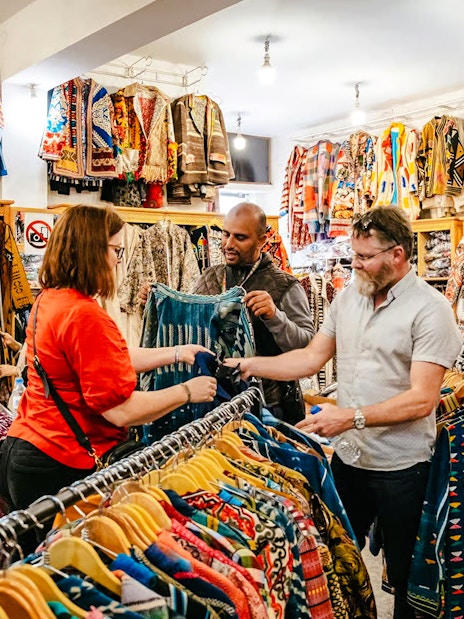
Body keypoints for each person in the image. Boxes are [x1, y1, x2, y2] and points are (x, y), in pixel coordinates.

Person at [224, 205, 462, 619]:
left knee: (407, 579)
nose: (357, 266)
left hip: (402, 468)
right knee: (337, 563)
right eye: (355, 256)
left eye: (366, 258)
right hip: (349, 463)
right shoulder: (351, 297)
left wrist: (349, 417)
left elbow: (422, 399)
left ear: (398, 254)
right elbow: (312, 357)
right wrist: (250, 365)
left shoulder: (431, 310)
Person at [0, 205, 216, 550]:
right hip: (61, 464)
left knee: (35, 579)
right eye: (116, 250)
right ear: (92, 251)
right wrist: (187, 392)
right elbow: (120, 411)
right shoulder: (84, 314)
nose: (118, 261)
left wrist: (176, 353)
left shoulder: (51, 301)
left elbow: (106, 360)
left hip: (25, 452)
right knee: (71, 575)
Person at [195, 201, 314, 423]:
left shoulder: (285, 285)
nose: (228, 244)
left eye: (240, 237)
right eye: (225, 234)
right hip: (215, 399)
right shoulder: (209, 277)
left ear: (262, 240)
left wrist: (275, 317)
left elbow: (307, 346)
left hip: (270, 404)